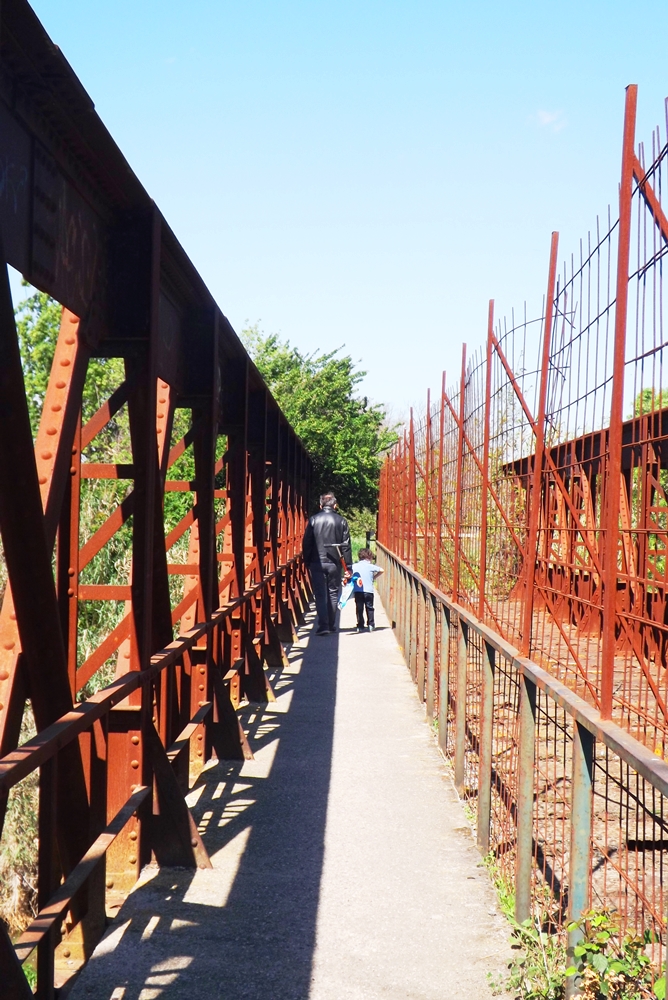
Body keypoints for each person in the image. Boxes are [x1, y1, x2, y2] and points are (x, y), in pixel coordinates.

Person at [302, 492, 352, 635]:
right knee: (333, 593)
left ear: (320, 505)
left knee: (320, 594)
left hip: (317, 562)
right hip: (334, 563)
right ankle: (331, 624)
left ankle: (323, 625)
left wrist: (307, 560)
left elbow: (307, 543)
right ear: (335, 506)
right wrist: (348, 566)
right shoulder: (341, 521)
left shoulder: (313, 520)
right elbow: (346, 546)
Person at [351, 548, 384, 632]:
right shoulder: (370, 566)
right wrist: (374, 577)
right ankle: (371, 624)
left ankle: (360, 625)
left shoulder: (354, 566)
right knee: (369, 607)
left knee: (359, 608)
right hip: (369, 591)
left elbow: (350, 574)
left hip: (358, 591)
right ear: (369, 557)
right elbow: (381, 570)